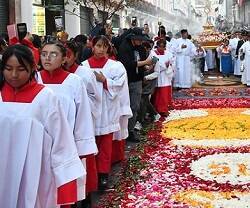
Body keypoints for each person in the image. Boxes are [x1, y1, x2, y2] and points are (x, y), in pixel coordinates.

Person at [0, 44, 85, 207]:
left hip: (33, 175)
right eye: (8, 69)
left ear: (32, 68)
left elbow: (61, 141)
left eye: (21, 69)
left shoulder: (45, 97)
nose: (14, 75)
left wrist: (65, 179)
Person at [37, 41, 96, 206]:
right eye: (44, 54)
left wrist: (82, 147)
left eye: (53, 54)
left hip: (65, 145)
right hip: (38, 145)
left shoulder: (74, 81)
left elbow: (82, 115)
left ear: (64, 59)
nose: (47, 58)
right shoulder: (34, 79)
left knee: (64, 191)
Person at [82, 35, 126, 190]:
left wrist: (105, 81)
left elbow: (120, 85)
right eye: (98, 46)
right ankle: (90, 175)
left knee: (106, 145)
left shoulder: (115, 66)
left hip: (107, 110)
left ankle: (103, 175)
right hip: (89, 113)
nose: (101, 50)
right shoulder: (84, 66)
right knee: (90, 145)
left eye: (104, 46)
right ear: (92, 47)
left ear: (108, 48)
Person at [64, 40, 101, 207]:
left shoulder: (83, 74)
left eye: (67, 55)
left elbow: (95, 97)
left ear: (76, 55)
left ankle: (84, 196)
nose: (62, 59)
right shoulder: (39, 77)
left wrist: (81, 109)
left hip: (78, 126)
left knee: (82, 162)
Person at [118, 27, 154, 142]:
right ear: (133, 38)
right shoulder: (124, 47)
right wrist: (145, 63)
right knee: (124, 106)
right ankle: (121, 130)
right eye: (139, 39)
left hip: (137, 80)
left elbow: (142, 64)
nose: (140, 41)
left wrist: (146, 67)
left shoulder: (142, 49)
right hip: (126, 80)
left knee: (135, 106)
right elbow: (128, 64)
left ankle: (130, 130)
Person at [151, 39, 174, 116]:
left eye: (163, 47)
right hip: (158, 75)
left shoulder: (168, 53)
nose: (162, 48)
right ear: (157, 46)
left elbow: (172, 60)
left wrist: (169, 65)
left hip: (166, 76)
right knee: (159, 93)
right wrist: (165, 65)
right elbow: (156, 63)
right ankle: (159, 109)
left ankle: (165, 107)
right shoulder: (153, 53)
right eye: (160, 46)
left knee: (166, 93)